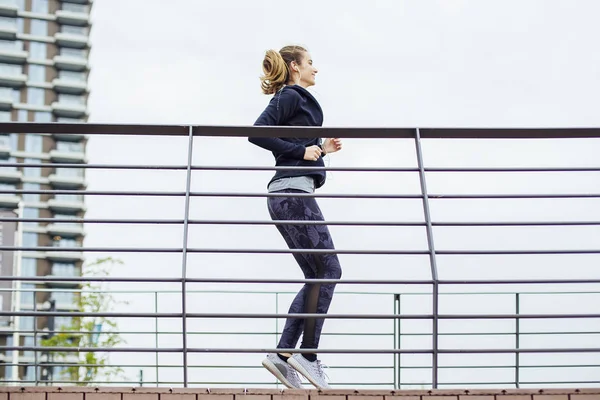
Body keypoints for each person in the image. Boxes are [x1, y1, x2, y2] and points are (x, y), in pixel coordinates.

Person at [249, 45, 343, 390]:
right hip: (291, 196)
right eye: (310, 63)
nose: (315, 69)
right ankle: (309, 355)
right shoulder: (290, 94)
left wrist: (320, 149)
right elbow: (258, 132)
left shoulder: (297, 99)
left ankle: (283, 353)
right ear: (294, 67)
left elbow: (295, 141)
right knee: (330, 269)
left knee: (316, 273)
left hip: (289, 194)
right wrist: (302, 151)